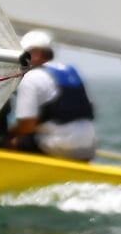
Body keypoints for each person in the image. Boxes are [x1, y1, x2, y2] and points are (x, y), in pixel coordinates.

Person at [8, 29, 98, 162]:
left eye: (23, 54)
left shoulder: (31, 77)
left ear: (36, 54)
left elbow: (27, 125)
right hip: (89, 147)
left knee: (13, 141)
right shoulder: (71, 71)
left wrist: (9, 134)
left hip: (60, 147)